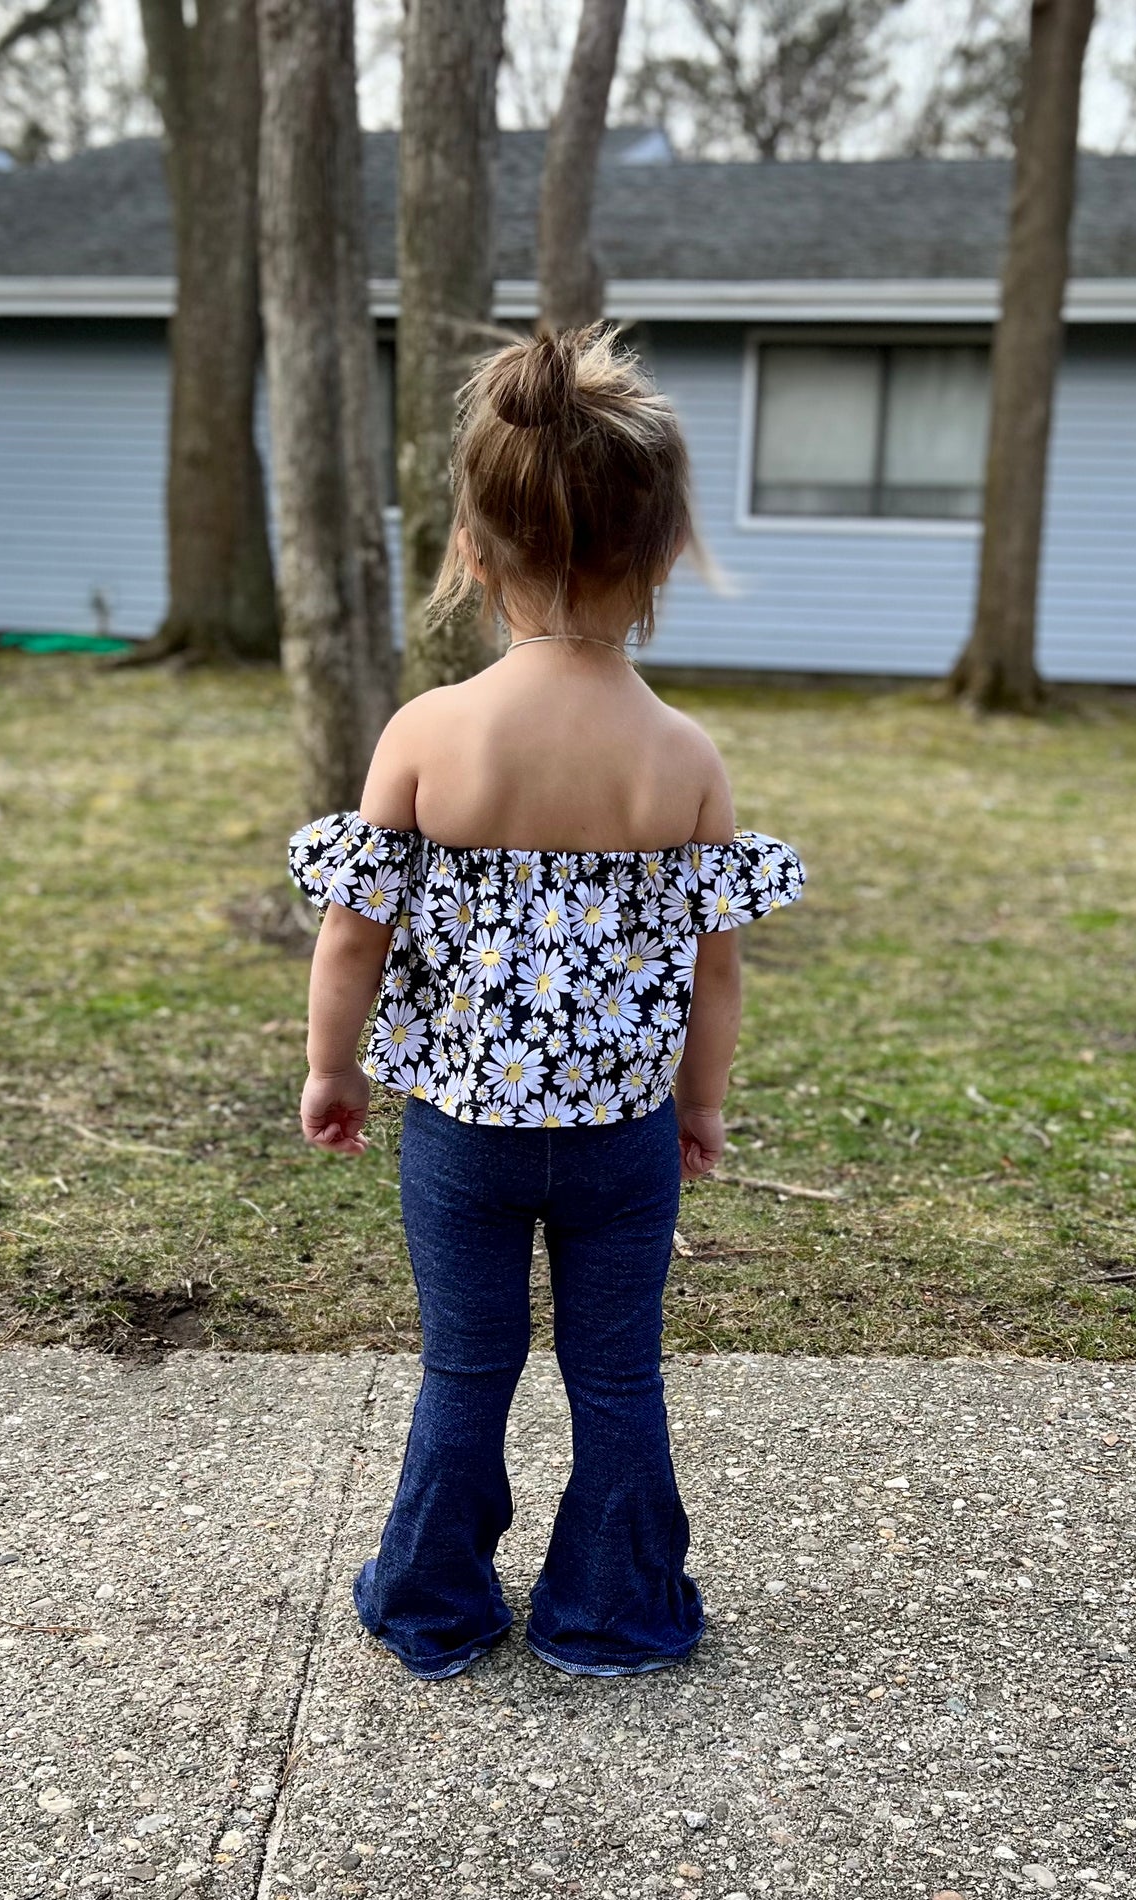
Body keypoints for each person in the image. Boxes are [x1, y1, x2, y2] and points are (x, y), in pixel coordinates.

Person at [289, 324, 803, 1681]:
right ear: (660, 561)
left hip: (461, 1134)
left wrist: (331, 1069)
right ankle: (613, 1610)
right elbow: (715, 965)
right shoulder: (681, 757)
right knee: (615, 1374)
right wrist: (699, 1101)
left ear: (470, 545)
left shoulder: (429, 734)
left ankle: (435, 1602)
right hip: (623, 1139)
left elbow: (353, 931)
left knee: (466, 1369)